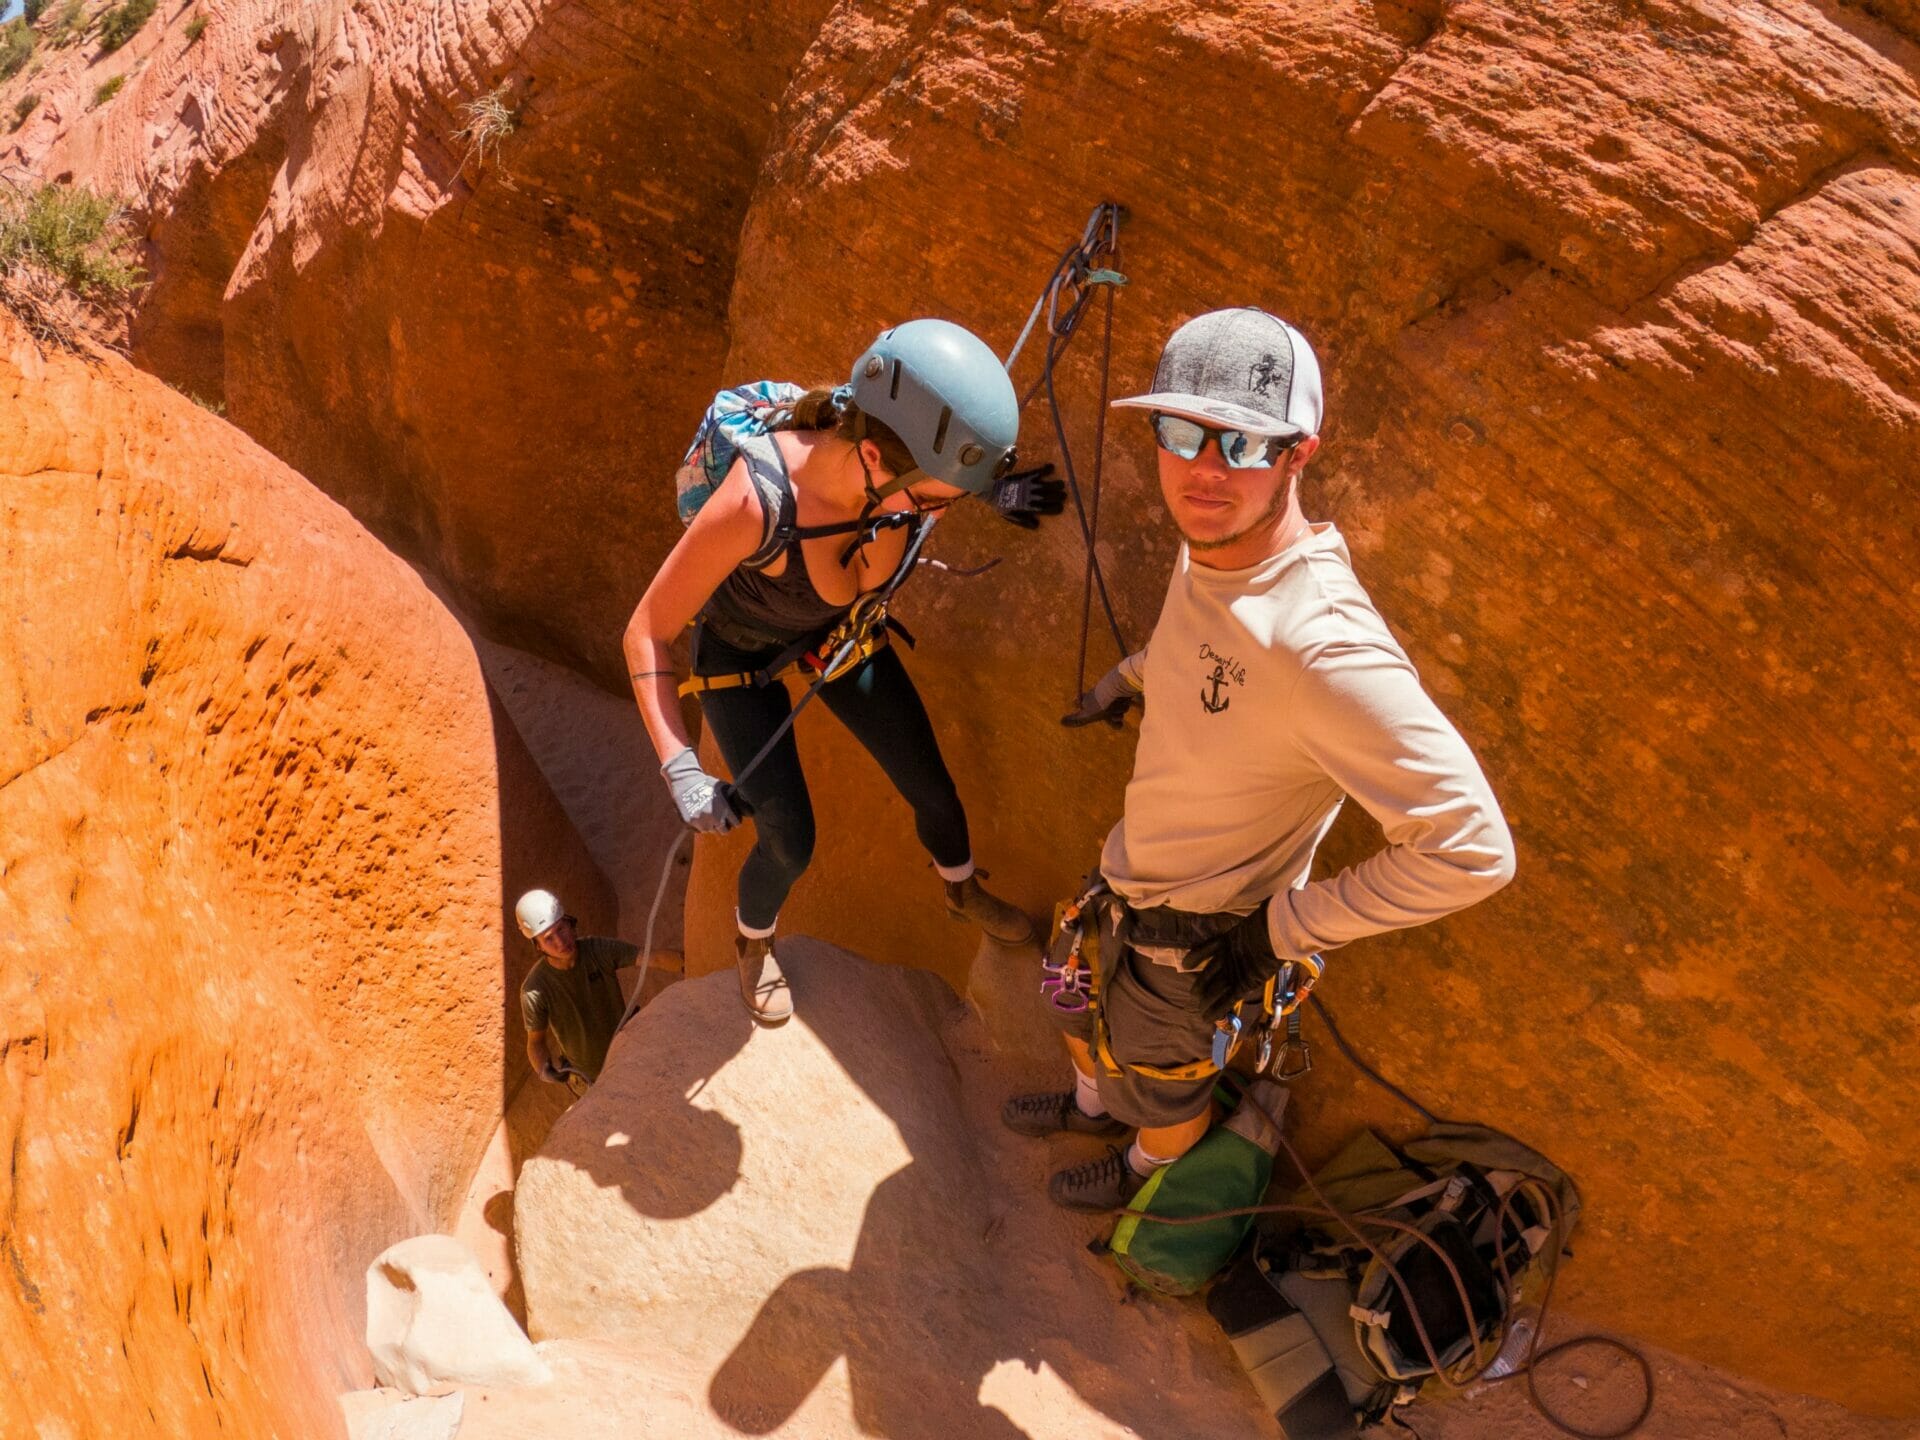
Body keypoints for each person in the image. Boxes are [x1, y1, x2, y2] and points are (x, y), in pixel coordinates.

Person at [1003, 307, 1517, 1210]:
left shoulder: (1323, 645)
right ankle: (1091, 1109)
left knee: (1166, 1087)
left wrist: (1273, 937)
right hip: (1127, 873)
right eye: (1181, 431)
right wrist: (1131, 678)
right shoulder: (1211, 541)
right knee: (1070, 1001)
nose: (1204, 468)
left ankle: (1140, 1175)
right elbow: (1200, 643)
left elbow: (1472, 849)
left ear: (1298, 454)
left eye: (1240, 443)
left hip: (1201, 942)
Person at [622, 319, 1063, 1026]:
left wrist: (984, 487)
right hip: (740, 655)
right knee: (789, 837)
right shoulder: (750, 504)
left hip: (833, 633)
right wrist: (679, 765)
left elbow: (890, 525)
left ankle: (961, 891)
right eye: (932, 502)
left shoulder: (878, 472)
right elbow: (647, 630)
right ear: (870, 458)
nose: (936, 517)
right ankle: (751, 941)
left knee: (933, 787)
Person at [516, 888, 640, 1096]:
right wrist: (544, 1070)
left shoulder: (597, 950)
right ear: (538, 946)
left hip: (629, 1055)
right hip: (590, 1080)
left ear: (570, 923)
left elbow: (649, 957)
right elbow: (535, 1042)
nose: (560, 942)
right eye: (548, 939)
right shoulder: (535, 990)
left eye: (561, 929)